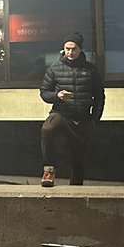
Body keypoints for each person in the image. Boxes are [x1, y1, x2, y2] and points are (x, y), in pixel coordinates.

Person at [39, 32, 105, 188]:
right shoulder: (54, 68)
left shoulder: (90, 70)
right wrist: (57, 95)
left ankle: (76, 188)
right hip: (61, 113)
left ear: (80, 49)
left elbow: (99, 96)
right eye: (67, 48)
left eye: (73, 49)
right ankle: (48, 170)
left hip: (83, 116)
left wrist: (95, 119)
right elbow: (44, 93)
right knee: (48, 129)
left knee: (78, 155)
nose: (70, 52)